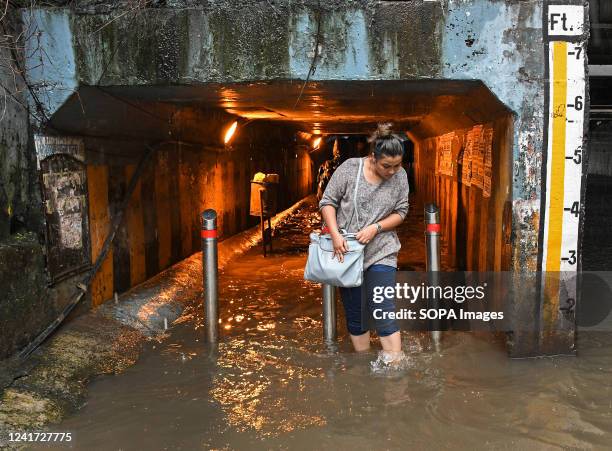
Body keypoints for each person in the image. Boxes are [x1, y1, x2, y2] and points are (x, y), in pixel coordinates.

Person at [319, 123, 409, 369]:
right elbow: (327, 202)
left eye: (397, 165)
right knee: (356, 313)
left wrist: (376, 227)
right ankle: (363, 369)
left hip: (382, 250)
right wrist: (335, 235)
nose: (392, 172)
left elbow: (402, 211)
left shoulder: (400, 176)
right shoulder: (350, 169)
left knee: (383, 308)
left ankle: (394, 369)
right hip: (347, 252)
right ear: (373, 157)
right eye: (386, 166)